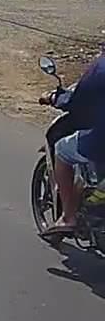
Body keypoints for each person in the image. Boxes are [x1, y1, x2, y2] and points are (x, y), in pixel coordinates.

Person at [42, 54, 105, 237]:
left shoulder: (100, 68)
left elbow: (77, 102)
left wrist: (54, 97)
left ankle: (68, 218)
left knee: (62, 150)